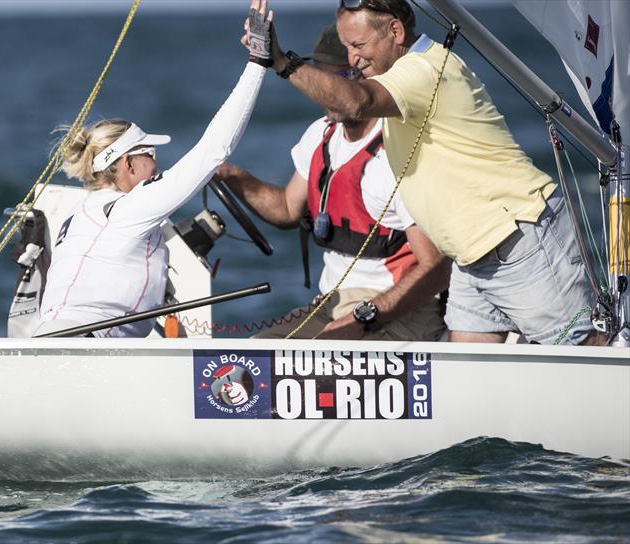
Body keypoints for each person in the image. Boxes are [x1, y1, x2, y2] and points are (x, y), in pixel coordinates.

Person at [241, 0, 599, 345]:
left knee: (585, 351)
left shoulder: (421, 69)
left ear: (396, 31)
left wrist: (281, 62)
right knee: (467, 377)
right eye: (347, 47)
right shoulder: (398, 84)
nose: (352, 58)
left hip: (518, 240)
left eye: (358, 44)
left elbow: (355, 101)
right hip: (470, 256)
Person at [33, 3, 272, 338]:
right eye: (150, 153)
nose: (157, 162)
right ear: (127, 163)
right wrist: (258, 63)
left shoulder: (81, 211)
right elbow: (214, 150)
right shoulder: (130, 208)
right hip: (87, 345)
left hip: (56, 337)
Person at [217, 24, 449, 340]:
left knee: (320, 364)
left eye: (338, 79)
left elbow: (435, 267)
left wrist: (364, 319)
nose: (325, 91)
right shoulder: (320, 135)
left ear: (368, 80)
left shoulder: (396, 152)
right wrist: (231, 175)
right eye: (321, 77)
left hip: (399, 310)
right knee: (256, 356)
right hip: (332, 302)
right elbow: (286, 209)